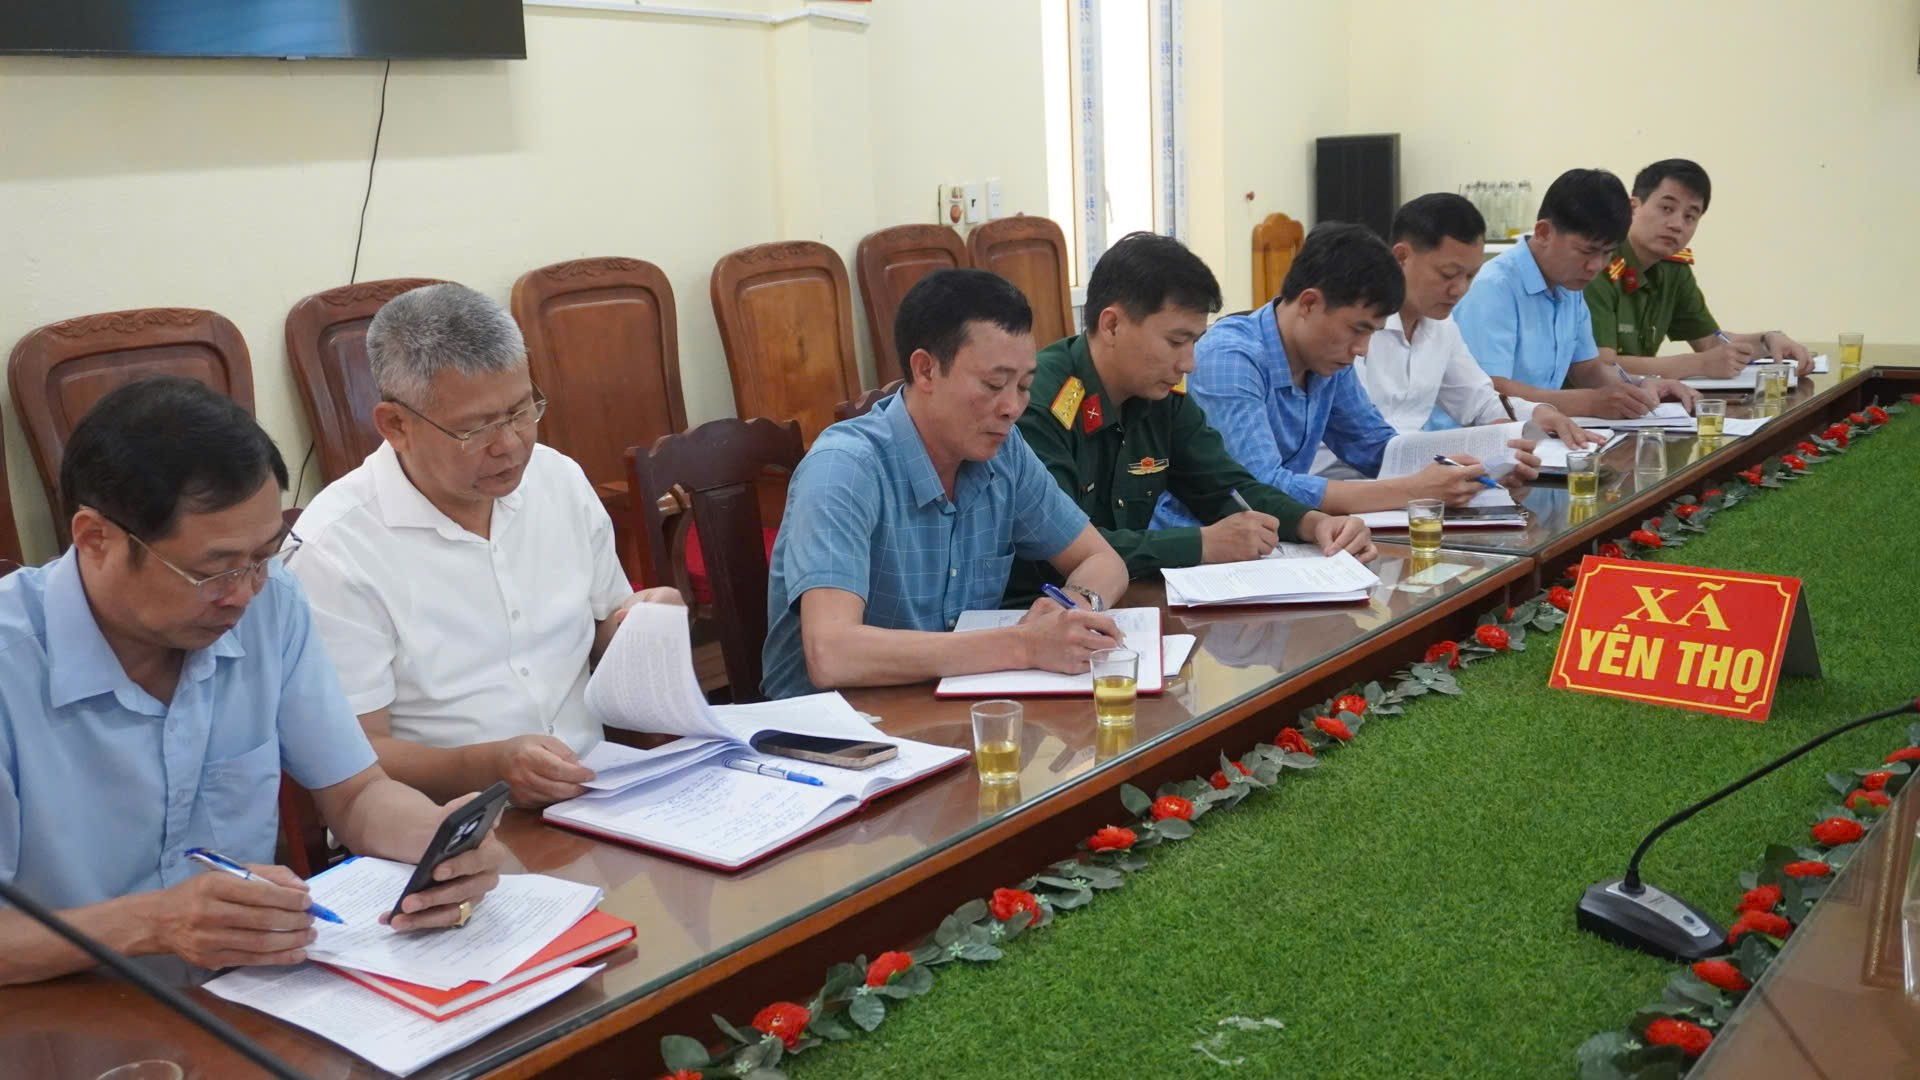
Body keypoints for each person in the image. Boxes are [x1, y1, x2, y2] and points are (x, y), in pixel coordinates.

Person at [0, 378, 504, 986]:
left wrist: (435, 844)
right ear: (95, 539)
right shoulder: (11, 665)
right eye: (212, 571)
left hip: (250, 991)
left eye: (263, 556)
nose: (243, 594)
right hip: (58, 1009)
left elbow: (356, 794)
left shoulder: (272, 604)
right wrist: (153, 923)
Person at [291, 284, 682, 809]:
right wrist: (491, 766)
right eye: (475, 429)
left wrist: (646, 623)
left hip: (598, 791)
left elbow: (604, 634)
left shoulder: (558, 480)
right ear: (396, 425)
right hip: (447, 822)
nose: (511, 445)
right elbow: (352, 754)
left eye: (521, 412)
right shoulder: (336, 547)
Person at [761, 268, 1128, 700]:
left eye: (1024, 386)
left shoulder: (1004, 452)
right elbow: (832, 654)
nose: (1012, 407)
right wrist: (1024, 645)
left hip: (948, 708)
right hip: (833, 728)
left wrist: (1071, 611)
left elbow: (1104, 561)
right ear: (926, 370)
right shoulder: (843, 468)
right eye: (994, 384)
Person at [1008, 231, 1374, 605]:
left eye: (1195, 342)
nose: (1189, 363)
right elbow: (1061, 548)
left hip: (1126, 599)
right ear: (1112, 325)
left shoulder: (1161, 398)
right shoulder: (1040, 402)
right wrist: (1201, 544)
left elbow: (1226, 486)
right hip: (1042, 608)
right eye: (1175, 342)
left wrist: (1314, 523)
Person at [1151, 222, 1532, 523]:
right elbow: (1259, 487)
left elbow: (1376, 447)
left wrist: (1470, 469)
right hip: (1201, 547)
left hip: (1284, 538)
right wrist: (1412, 490)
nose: (1362, 349)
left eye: (1372, 333)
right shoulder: (1230, 357)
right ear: (1309, 303)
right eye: (1357, 330)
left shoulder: (1327, 360)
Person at [1348, 193, 1593, 449]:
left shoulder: (1441, 324)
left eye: (1470, 276)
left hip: (1413, 462)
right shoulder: (1358, 324)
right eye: (1448, 274)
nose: (1459, 290)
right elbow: (1361, 436)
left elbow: (1478, 400)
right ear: (1402, 257)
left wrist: (1538, 413)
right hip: (1355, 469)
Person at [1451, 167, 1699, 420]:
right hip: (1474, 437)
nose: (1595, 266)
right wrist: (1587, 403)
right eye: (1586, 251)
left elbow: (1587, 368)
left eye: (1607, 253)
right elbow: (1491, 391)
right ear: (1544, 232)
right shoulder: (1493, 288)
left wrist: (1642, 385)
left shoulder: (1569, 285)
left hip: (1535, 431)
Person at [1585, 158, 1813, 378]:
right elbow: (1600, 367)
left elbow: (1711, 343)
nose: (1677, 225)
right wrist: (1699, 364)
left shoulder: (1673, 269)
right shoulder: (1597, 263)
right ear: (1633, 207)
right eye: (1666, 208)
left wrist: (1767, 340)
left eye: (1690, 216)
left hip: (1639, 397)